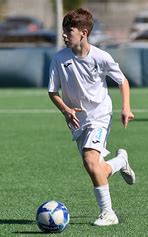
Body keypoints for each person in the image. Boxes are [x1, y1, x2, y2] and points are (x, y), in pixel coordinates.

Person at [48, 8, 136, 226]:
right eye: (63, 30)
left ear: (84, 33)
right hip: (78, 121)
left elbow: (122, 81)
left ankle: (108, 213)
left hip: (100, 115)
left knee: (90, 161)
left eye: (69, 30)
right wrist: (65, 110)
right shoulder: (59, 59)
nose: (64, 35)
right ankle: (120, 161)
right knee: (96, 168)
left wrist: (126, 107)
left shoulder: (101, 57)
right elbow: (52, 92)